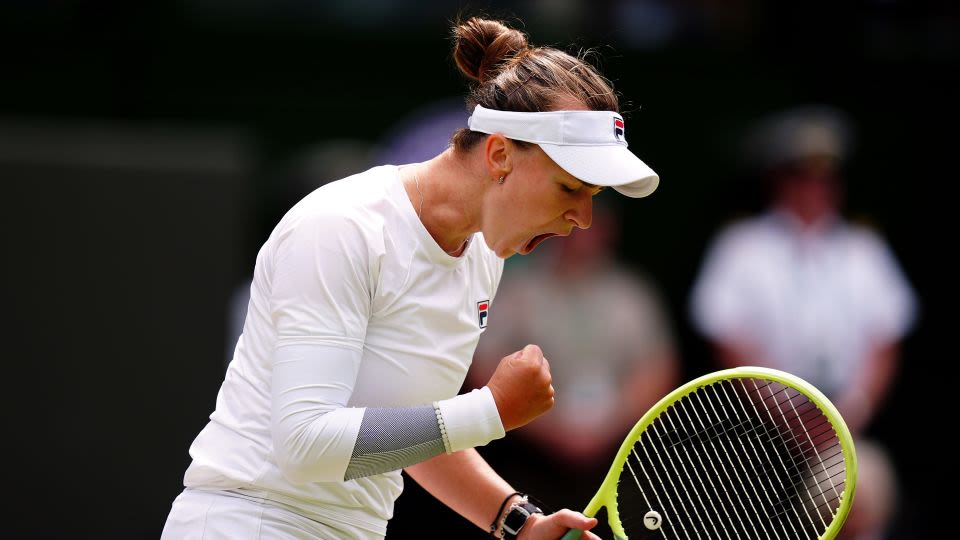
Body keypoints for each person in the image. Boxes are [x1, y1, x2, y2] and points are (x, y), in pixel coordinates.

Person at [162, 16, 661, 540]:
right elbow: (305, 444)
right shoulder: (343, 228)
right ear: (499, 155)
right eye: (568, 188)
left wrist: (517, 521)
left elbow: (412, 432)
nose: (583, 218)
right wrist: (489, 411)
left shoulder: (483, 257)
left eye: (594, 197)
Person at [688, 105, 917, 540]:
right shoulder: (741, 246)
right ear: (779, 179)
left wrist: (853, 411)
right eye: (802, 176)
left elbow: (885, 341)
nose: (816, 189)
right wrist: (787, 413)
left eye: (826, 177)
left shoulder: (863, 248)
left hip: (845, 426)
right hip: (756, 436)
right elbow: (728, 343)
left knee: (862, 492)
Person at [465, 197, 680, 514]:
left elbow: (657, 368)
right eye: (574, 223)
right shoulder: (517, 291)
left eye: (595, 224)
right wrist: (553, 434)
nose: (583, 233)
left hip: (616, 458)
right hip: (531, 461)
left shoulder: (632, 295)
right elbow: (483, 370)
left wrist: (605, 431)